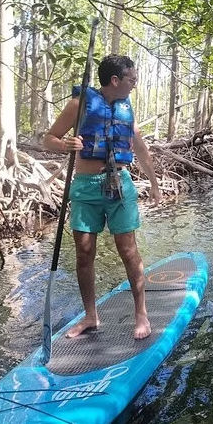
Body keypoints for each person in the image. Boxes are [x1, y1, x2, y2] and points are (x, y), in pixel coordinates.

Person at [44, 54, 161, 339]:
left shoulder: (126, 108)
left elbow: (140, 147)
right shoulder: (79, 104)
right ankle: (91, 316)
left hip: (119, 184)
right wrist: (65, 145)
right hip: (85, 186)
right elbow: (48, 138)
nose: (135, 84)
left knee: (128, 250)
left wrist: (154, 182)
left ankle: (141, 314)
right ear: (115, 80)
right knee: (84, 254)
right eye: (132, 79)